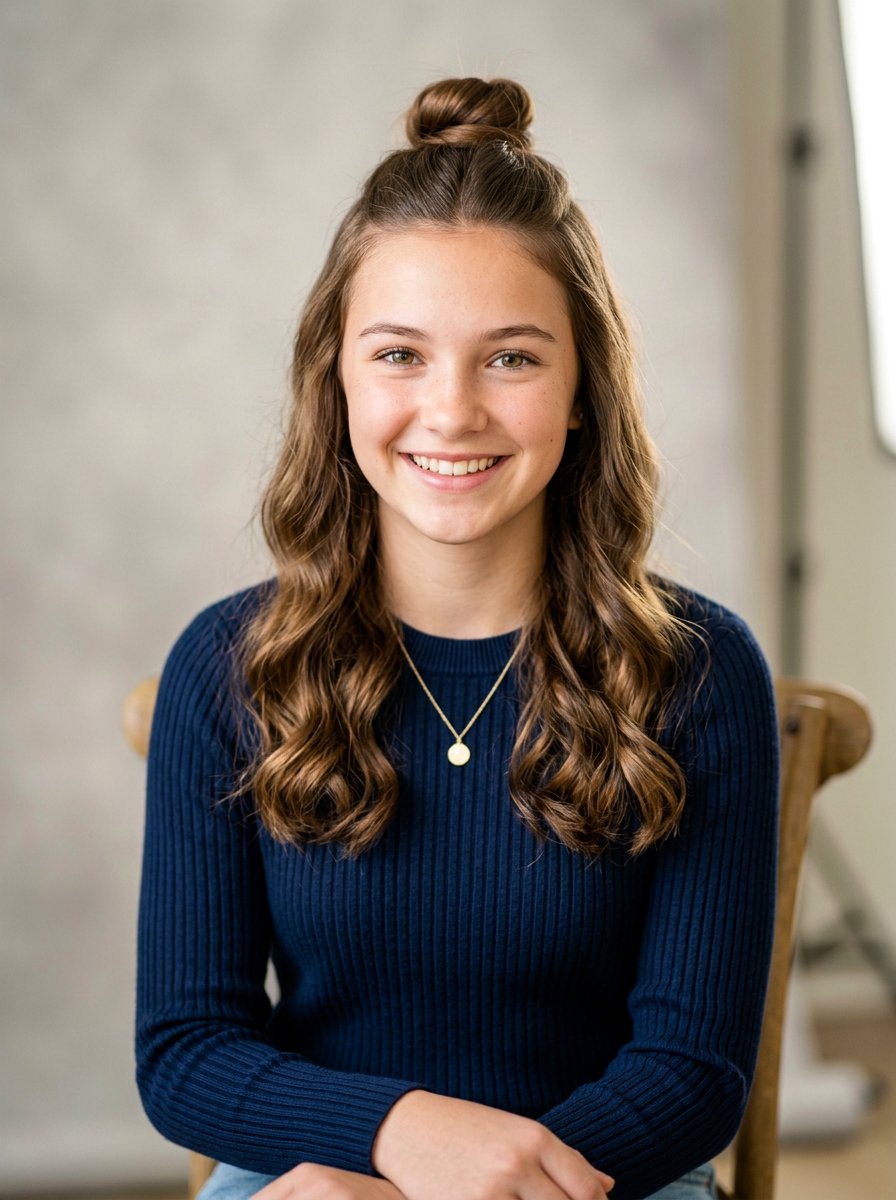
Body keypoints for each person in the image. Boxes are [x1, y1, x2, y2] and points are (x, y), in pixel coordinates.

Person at [136, 77, 779, 1200]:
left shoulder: (698, 671)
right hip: (319, 1175)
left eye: (511, 357)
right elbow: (188, 1050)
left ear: (582, 387)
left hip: (604, 1178)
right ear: (332, 379)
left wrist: (478, 1183)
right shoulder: (226, 668)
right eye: (398, 355)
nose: (451, 411)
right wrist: (392, 1139)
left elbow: (689, 1070)